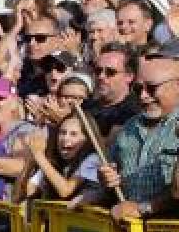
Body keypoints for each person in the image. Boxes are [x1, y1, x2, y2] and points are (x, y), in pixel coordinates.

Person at [99, 46, 179, 220]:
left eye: (151, 88)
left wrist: (143, 208)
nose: (143, 96)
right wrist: (106, 179)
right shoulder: (127, 127)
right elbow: (108, 182)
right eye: (137, 89)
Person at [20, 114, 101, 204]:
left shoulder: (93, 158)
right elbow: (24, 192)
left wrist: (38, 155)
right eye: (62, 132)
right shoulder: (51, 161)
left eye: (73, 134)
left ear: (87, 139)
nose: (65, 138)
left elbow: (65, 190)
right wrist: (31, 158)